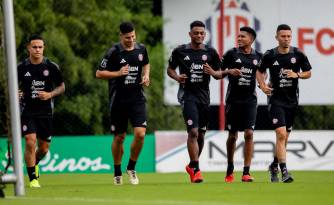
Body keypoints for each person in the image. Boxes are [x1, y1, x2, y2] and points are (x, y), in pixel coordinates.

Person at [167, 20, 221, 183]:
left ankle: (192, 165)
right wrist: (177, 77)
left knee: (202, 135)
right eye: (196, 33)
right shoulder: (180, 51)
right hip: (187, 95)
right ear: (190, 34)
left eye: (201, 33)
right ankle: (196, 170)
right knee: (193, 132)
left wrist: (213, 72)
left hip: (204, 97)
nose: (199, 35)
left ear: (205, 35)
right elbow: (170, 69)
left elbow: (219, 73)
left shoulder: (211, 52)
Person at [96, 22, 150, 185]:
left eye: (133, 36)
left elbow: (146, 63)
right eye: (128, 37)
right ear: (121, 36)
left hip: (137, 99)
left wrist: (146, 75)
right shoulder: (113, 52)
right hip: (118, 100)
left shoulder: (141, 49)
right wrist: (118, 73)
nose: (131, 40)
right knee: (120, 137)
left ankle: (131, 167)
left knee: (140, 134)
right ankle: (117, 171)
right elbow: (99, 73)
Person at [257, 24, 312, 183]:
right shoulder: (269, 55)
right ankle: (284, 172)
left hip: (292, 102)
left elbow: (308, 72)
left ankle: (274, 165)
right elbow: (260, 71)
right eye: (283, 36)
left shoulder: (298, 54)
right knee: (281, 134)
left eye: (288, 36)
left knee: (284, 138)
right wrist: (262, 85)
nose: (286, 39)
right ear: (277, 37)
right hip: (275, 101)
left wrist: (297, 74)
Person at [206, 27, 262, 183]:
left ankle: (246, 172)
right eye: (238, 36)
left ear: (251, 40)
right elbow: (218, 74)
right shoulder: (231, 54)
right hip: (233, 101)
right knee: (233, 136)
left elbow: (262, 72)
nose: (239, 38)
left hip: (250, 100)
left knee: (249, 133)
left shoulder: (258, 57)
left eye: (242, 36)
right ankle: (230, 168)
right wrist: (228, 71)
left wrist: (263, 83)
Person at [18, 34, 65, 188]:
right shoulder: (21, 67)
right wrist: (16, 92)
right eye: (34, 47)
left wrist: (50, 94)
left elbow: (62, 87)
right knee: (30, 142)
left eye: (40, 47)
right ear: (28, 48)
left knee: (44, 148)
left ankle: (35, 162)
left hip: (45, 112)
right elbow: (10, 85)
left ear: (43, 48)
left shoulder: (51, 66)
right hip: (27, 111)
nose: (37, 50)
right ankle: (33, 179)